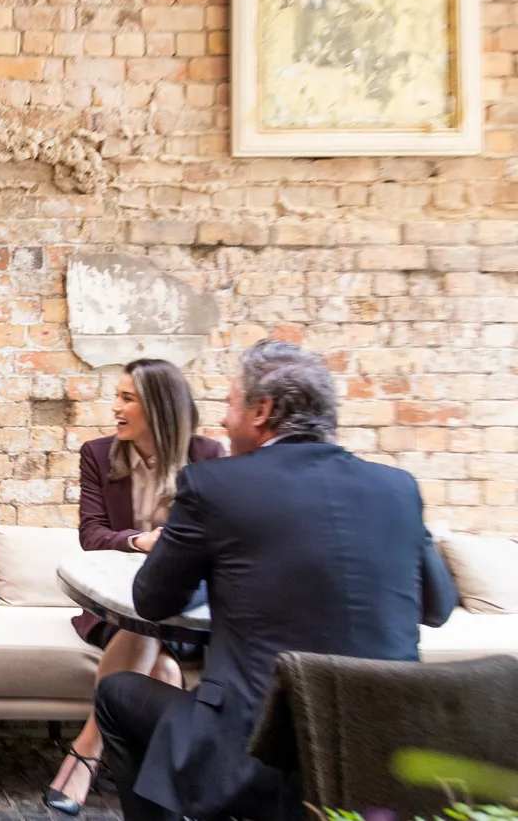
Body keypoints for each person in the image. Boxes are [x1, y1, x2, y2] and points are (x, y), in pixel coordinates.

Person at [93, 339, 459, 821]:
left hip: (257, 752)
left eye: (230, 404)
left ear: (261, 411)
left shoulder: (215, 485)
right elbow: (438, 608)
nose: (223, 420)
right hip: (382, 755)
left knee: (117, 693)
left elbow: (153, 600)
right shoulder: (397, 487)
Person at [46, 359, 225, 816]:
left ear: (159, 407)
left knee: (158, 645)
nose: (115, 408)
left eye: (128, 398)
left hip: (182, 611)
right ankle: (167, 787)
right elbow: (92, 534)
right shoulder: (98, 455)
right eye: (117, 396)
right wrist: (143, 541)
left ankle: (87, 749)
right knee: (156, 656)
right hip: (115, 610)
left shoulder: (208, 456)